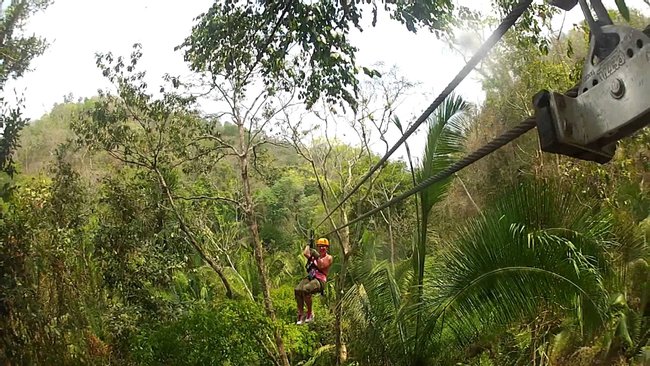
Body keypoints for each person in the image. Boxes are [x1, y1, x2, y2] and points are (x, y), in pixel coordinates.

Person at [294, 237, 332, 324]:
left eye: (324, 246)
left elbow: (321, 266)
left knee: (306, 289)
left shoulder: (328, 257)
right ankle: (301, 313)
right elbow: (305, 253)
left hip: (320, 280)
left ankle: (310, 313)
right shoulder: (314, 256)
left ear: (327, 248)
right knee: (298, 290)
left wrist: (317, 256)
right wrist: (308, 244)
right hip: (311, 277)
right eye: (320, 246)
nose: (322, 248)